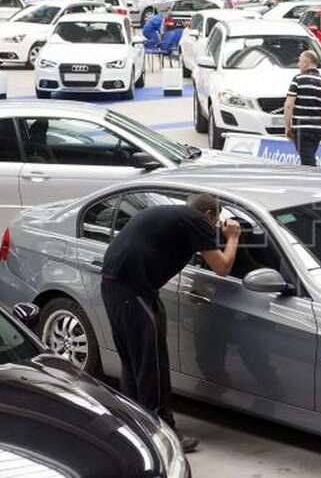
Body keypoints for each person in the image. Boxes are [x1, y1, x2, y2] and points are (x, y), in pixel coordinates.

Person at [101, 194, 240, 452]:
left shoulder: (176, 216)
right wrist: (232, 237)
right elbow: (222, 267)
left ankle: (135, 428)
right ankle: (160, 435)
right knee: (150, 363)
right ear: (209, 216)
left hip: (117, 286)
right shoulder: (197, 220)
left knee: (135, 362)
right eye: (215, 223)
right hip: (133, 289)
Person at [284, 50, 321, 167]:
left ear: (307, 62)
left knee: (307, 162)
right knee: (309, 155)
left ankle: (313, 182)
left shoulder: (298, 80)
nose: (298, 65)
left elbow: (288, 105)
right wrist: (320, 121)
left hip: (302, 127)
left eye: (300, 61)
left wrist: (288, 126)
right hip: (318, 129)